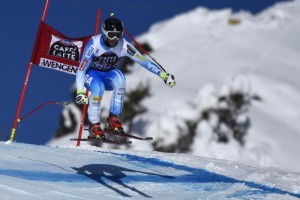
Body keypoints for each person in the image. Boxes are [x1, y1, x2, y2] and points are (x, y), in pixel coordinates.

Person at [75, 17, 176, 140]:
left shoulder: (123, 45)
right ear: (105, 33)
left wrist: (163, 75)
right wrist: (80, 91)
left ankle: (113, 119)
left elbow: (143, 61)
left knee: (120, 79)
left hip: (108, 73)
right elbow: (81, 68)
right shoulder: (94, 44)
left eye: (118, 35)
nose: (115, 39)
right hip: (91, 74)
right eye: (111, 35)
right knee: (98, 87)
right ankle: (94, 125)